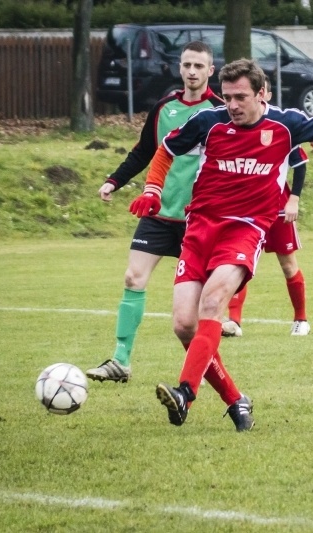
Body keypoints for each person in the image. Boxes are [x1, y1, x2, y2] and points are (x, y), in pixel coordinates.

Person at [129, 58, 313, 431]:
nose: (232, 105)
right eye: (227, 97)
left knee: (213, 304)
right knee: (184, 325)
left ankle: (185, 393)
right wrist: (152, 189)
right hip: (199, 229)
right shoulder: (209, 122)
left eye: (240, 97)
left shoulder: (286, 123)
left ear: (261, 94)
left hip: (245, 230)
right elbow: (166, 149)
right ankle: (235, 400)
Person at [86, 41, 224, 383]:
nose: (192, 71)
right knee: (133, 278)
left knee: (196, 311)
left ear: (211, 70)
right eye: (186, 65)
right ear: (180, 68)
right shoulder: (164, 108)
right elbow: (144, 151)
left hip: (199, 220)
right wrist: (114, 181)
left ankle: (207, 373)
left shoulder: (221, 112)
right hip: (159, 214)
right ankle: (120, 360)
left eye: (199, 66)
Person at [221, 74, 311, 338]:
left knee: (287, 264)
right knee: (238, 262)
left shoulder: (281, 129)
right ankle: (234, 321)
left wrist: (294, 199)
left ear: (264, 96)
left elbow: (300, 163)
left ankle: (301, 319)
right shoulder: (235, 129)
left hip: (278, 207)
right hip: (247, 209)